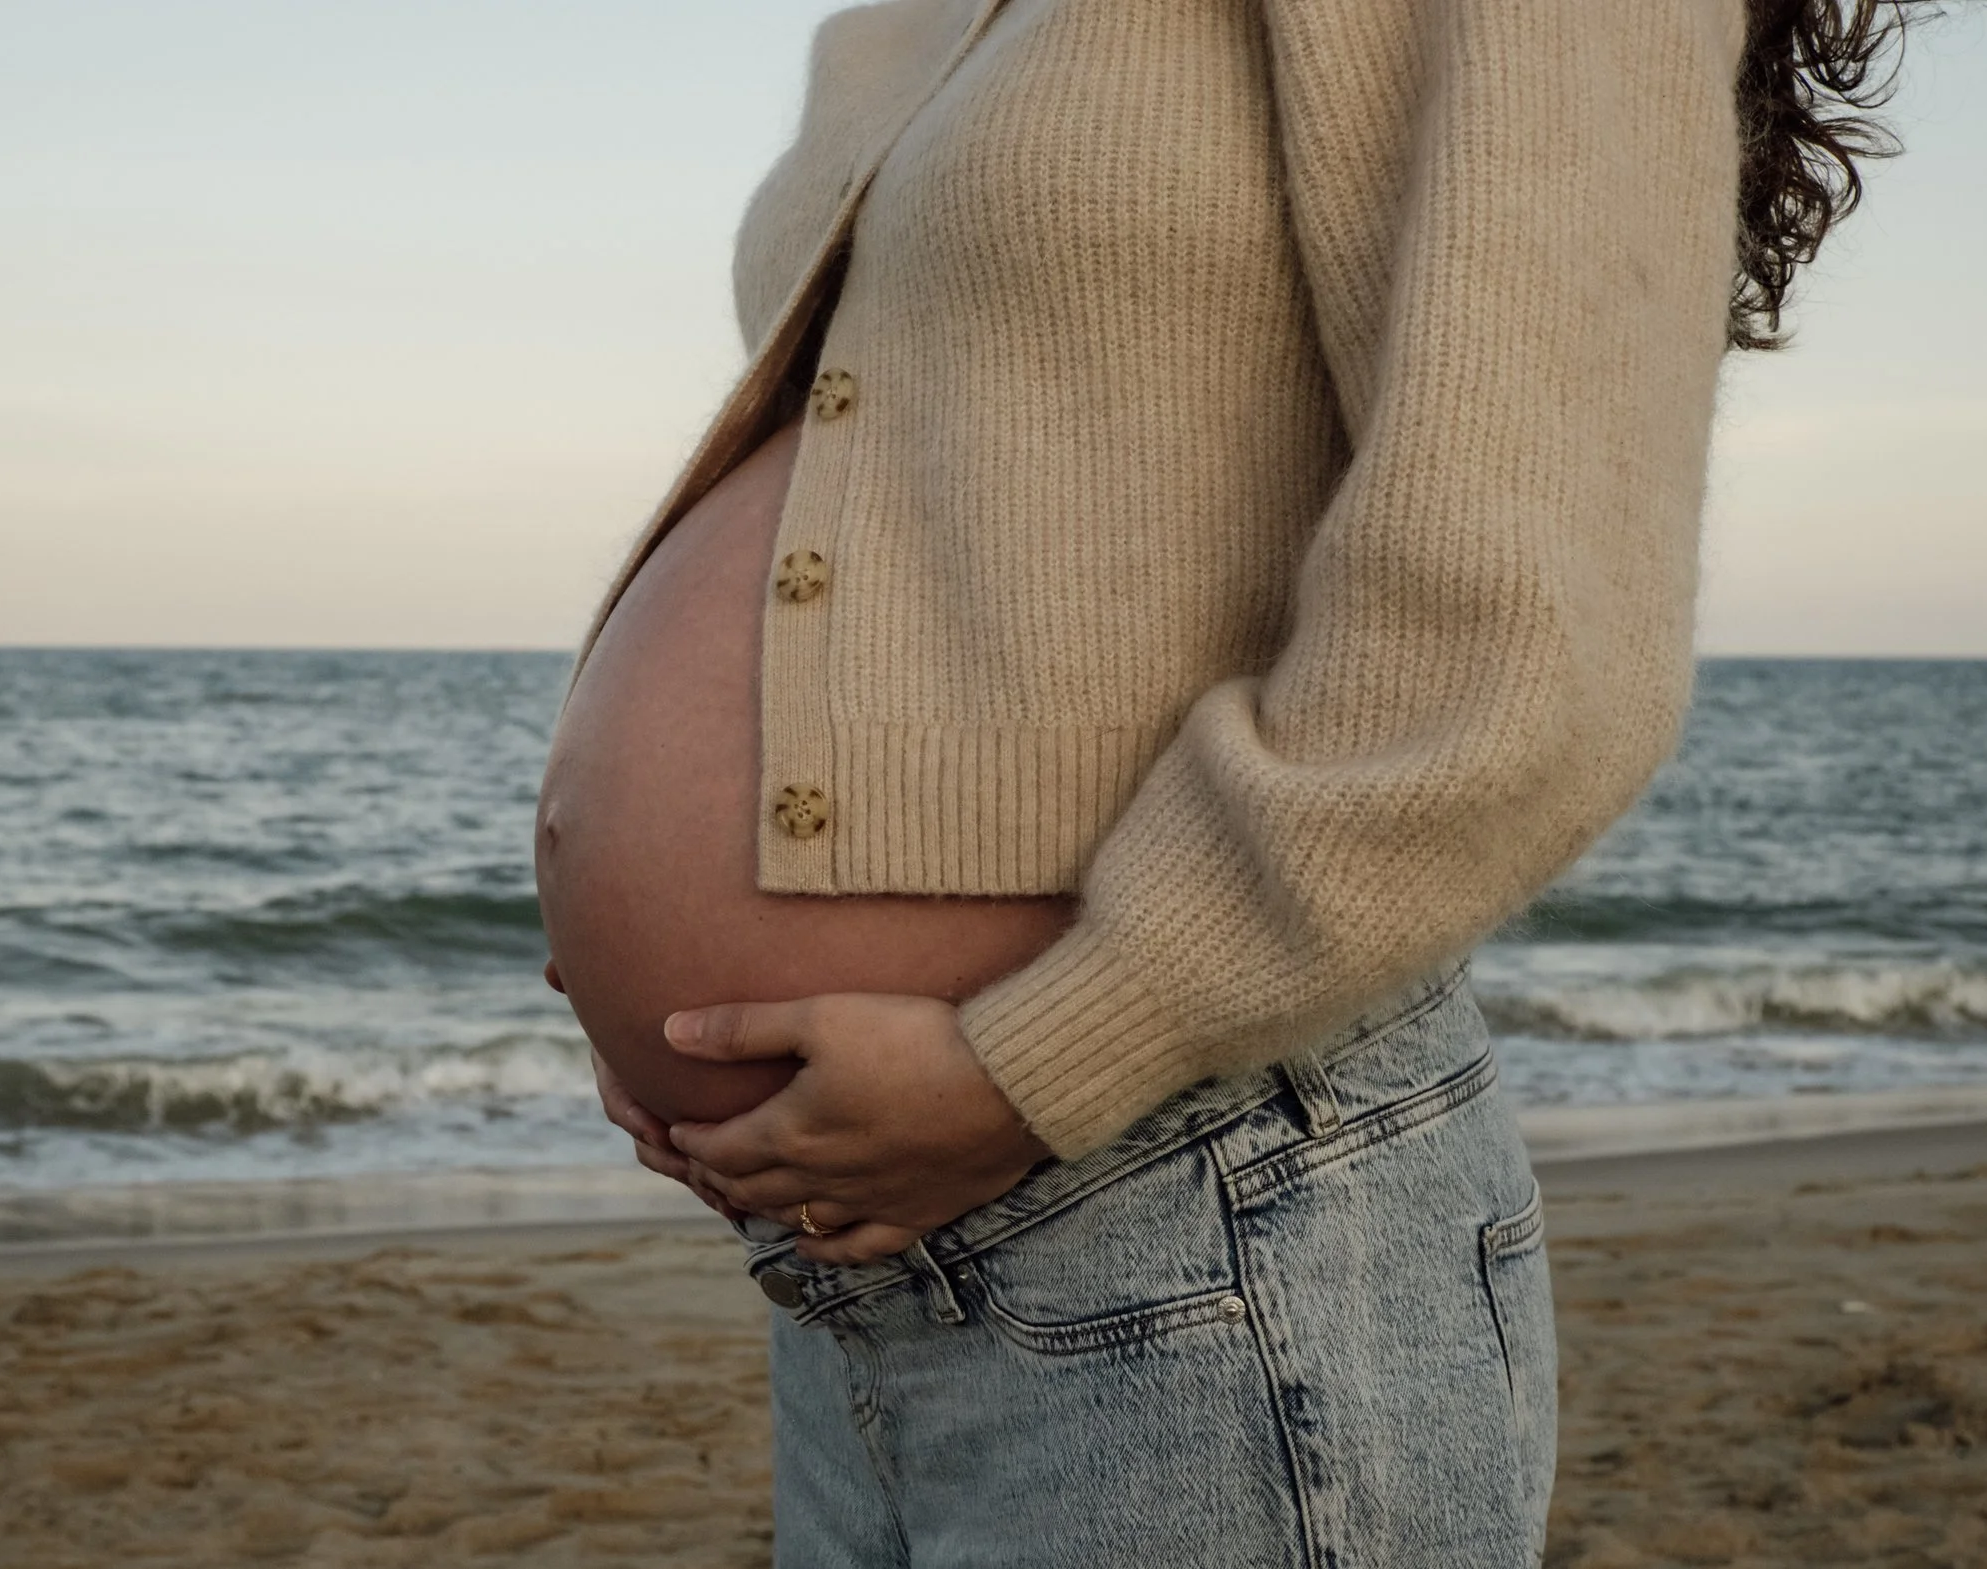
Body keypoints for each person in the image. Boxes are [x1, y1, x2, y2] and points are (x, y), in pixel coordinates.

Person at [533, 0, 1918, 1562]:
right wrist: (650, 974)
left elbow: (1529, 639)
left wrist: (1041, 1059)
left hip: (1208, 1204)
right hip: (878, 1274)